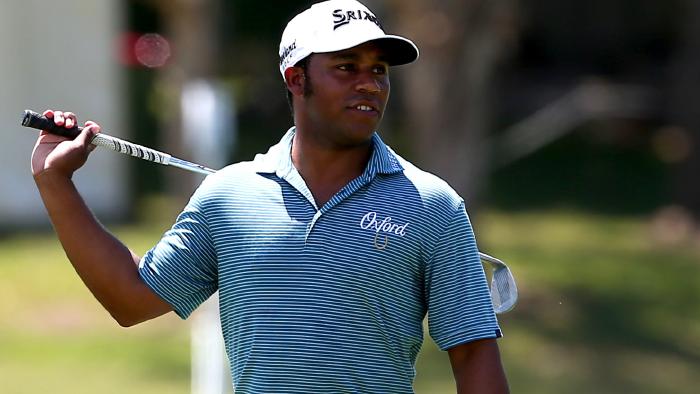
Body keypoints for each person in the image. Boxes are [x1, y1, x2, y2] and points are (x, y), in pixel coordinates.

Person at [30, 0, 509, 392]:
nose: (370, 83)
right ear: (297, 79)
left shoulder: (429, 203)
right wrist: (57, 185)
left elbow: (473, 353)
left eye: (379, 69)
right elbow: (131, 301)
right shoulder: (228, 196)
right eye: (346, 67)